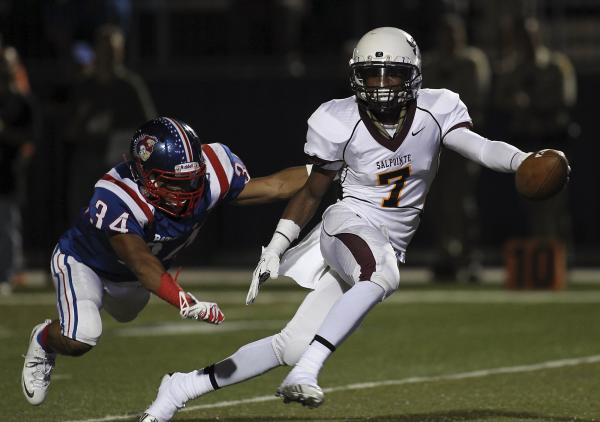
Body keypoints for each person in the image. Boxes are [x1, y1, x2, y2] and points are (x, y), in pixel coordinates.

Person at [139, 27, 567, 421]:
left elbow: (481, 146)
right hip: (348, 223)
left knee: (289, 344)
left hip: (387, 240)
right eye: (371, 75)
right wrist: (276, 245)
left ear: (412, 76)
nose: (380, 85)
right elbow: (312, 190)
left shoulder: (437, 109)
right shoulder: (338, 119)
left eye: (391, 75)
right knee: (382, 274)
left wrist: (521, 161)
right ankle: (307, 373)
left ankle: (180, 388)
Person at [21, 116, 309, 406]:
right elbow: (141, 262)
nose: (186, 192)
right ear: (143, 175)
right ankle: (44, 340)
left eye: (192, 180)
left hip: (132, 281)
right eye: (174, 183)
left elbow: (276, 185)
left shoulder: (213, 170)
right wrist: (183, 300)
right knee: (82, 336)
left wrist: (329, 169)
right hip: (85, 262)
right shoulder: (117, 194)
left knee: (126, 313)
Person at [492, 17, 576, 245]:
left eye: (530, 37)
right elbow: (499, 99)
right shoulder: (512, 69)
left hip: (550, 142)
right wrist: (514, 101)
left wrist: (533, 104)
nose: (527, 43)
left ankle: (559, 253)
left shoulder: (555, 65)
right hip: (526, 144)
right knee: (532, 203)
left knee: (555, 203)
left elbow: (565, 98)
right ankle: (541, 251)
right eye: (522, 38)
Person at [422, 14, 491, 282]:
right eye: (445, 33)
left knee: (461, 202)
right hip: (433, 145)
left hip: (462, 142)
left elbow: (474, 100)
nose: (449, 39)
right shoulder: (430, 63)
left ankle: (468, 255)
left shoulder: (471, 62)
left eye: (453, 33)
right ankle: (445, 253)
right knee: (436, 203)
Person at [64, 24, 156, 223]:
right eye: (105, 51)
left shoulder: (130, 87)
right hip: (87, 162)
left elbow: (149, 130)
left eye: (113, 52)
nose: (108, 57)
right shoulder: (84, 86)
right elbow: (69, 130)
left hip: (119, 166)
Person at [0, 47, 36, 296]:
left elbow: (30, 138)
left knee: (8, 223)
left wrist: (5, 133)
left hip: (8, 171)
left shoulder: (21, 100)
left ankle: (8, 273)